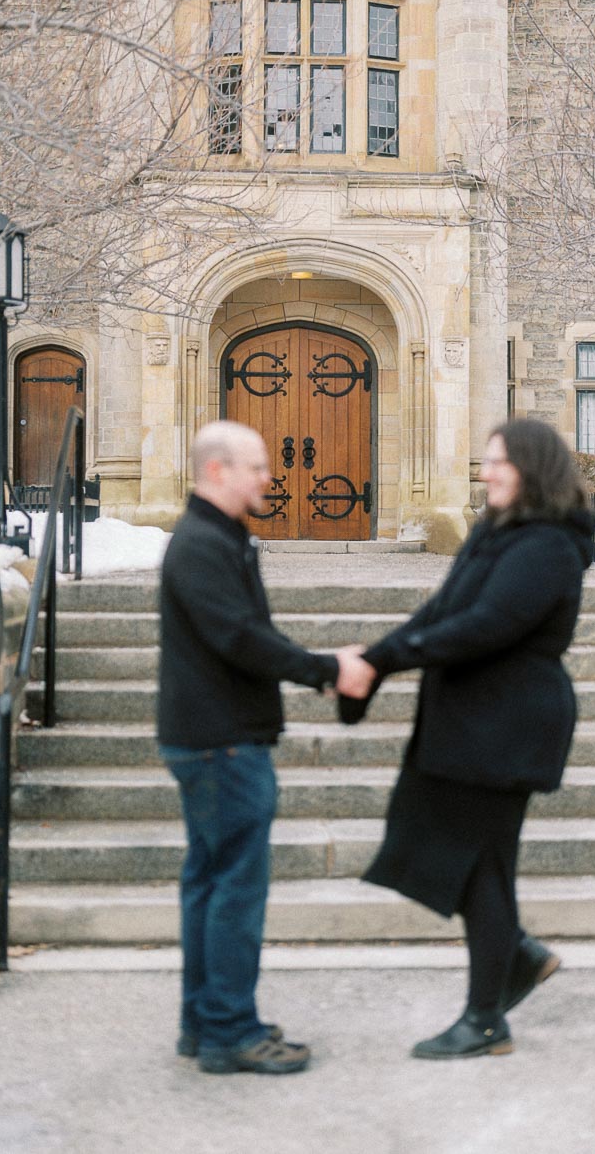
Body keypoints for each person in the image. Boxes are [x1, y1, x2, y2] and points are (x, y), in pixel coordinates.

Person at [340, 418, 595, 1059]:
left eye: (499, 462)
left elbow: (486, 626)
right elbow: (442, 610)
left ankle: (487, 1017)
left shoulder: (547, 545)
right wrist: (377, 655)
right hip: (472, 719)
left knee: (479, 863)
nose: (486, 472)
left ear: (532, 468)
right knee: (472, 859)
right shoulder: (496, 534)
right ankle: (516, 955)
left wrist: (384, 662)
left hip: (509, 722)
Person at [158, 420, 368, 1076]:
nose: (268, 478)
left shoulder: (219, 537)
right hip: (221, 743)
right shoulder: (200, 544)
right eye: (256, 467)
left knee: (210, 885)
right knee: (235, 892)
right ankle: (228, 1030)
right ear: (218, 470)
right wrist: (327, 669)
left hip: (214, 737)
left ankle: (205, 1020)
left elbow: (243, 633)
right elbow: (240, 638)